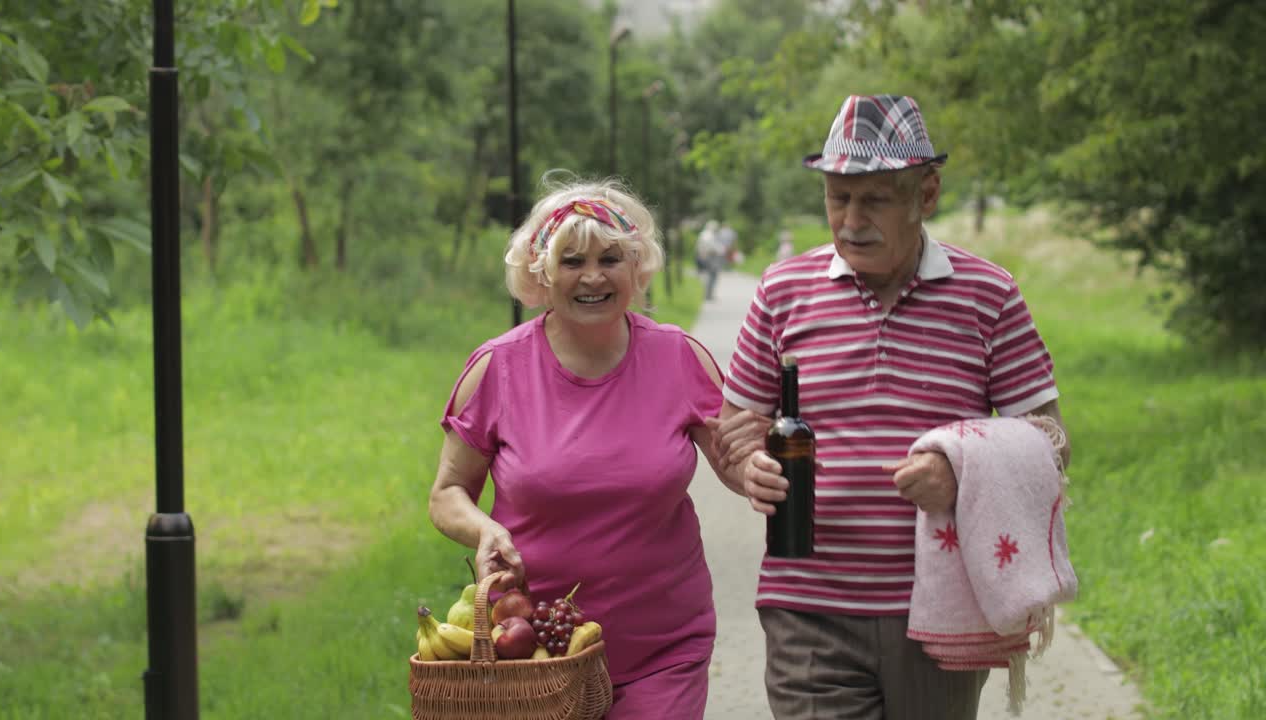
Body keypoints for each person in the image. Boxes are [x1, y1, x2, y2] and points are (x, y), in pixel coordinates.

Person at [705, 94, 1071, 720]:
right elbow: (732, 431)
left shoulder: (990, 295)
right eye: (837, 197)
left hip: (942, 607)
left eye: (872, 199)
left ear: (925, 196)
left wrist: (964, 473)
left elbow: (1051, 442)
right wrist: (746, 468)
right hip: (807, 603)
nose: (849, 220)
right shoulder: (781, 290)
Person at [428, 176, 731, 719]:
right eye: (571, 261)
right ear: (541, 273)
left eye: (610, 258)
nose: (592, 276)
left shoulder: (679, 358)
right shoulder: (497, 367)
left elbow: (741, 466)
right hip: (534, 650)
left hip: (665, 646)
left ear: (636, 268)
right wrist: (485, 530)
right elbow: (447, 493)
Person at [696, 219, 724, 300]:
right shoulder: (708, 235)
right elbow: (712, 247)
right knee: (712, 276)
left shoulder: (704, 234)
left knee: (710, 276)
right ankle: (708, 295)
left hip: (704, 257)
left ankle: (708, 294)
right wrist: (721, 250)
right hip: (709, 258)